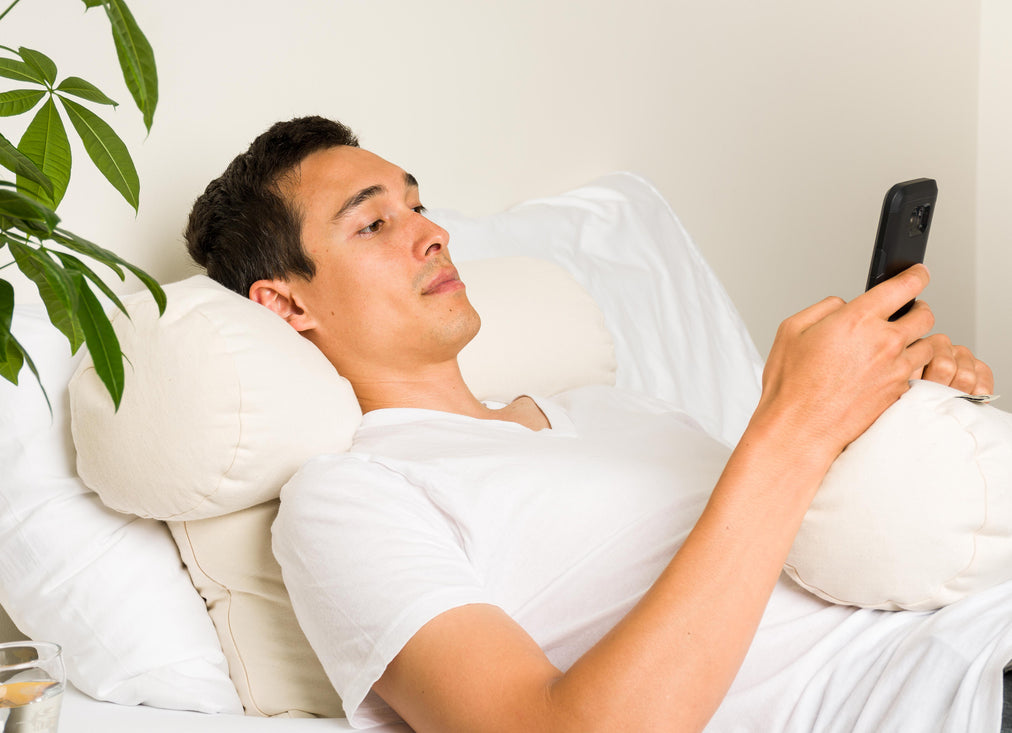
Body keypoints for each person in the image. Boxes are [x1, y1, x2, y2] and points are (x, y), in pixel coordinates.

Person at [185, 116, 1006, 732]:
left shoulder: (612, 408)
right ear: (286, 303)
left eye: (419, 204)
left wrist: (887, 423)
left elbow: (805, 549)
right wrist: (790, 426)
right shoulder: (350, 496)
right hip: (943, 697)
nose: (432, 232)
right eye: (374, 223)